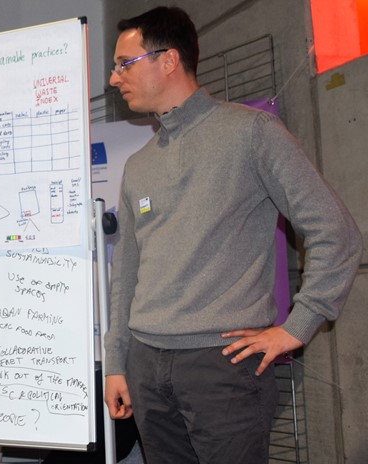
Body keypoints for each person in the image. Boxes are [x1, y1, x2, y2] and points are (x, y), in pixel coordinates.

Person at [102, 6, 362, 463]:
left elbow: (335, 231)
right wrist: (117, 363)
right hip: (146, 366)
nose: (113, 78)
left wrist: (297, 327)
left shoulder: (250, 132)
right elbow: (125, 273)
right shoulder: (139, 165)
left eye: (125, 63)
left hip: (222, 368)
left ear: (169, 59)